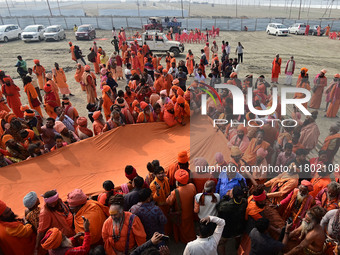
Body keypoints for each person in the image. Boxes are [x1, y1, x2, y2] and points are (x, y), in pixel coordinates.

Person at [166, 169, 197, 243]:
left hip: (181, 214)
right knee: (190, 227)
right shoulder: (192, 186)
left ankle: (185, 241)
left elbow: (169, 202)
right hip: (190, 212)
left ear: (178, 181)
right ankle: (192, 238)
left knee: (183, 230)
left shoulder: (175, 192)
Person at [217, 186, 247, 254]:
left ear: (232, 195)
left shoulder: (226, 206)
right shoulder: (245, 202)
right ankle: (237, 248)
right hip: (239, 228)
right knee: (238, 238)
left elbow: (219, 207)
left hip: (227, 229)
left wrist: (226, 197)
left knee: (221, 243)